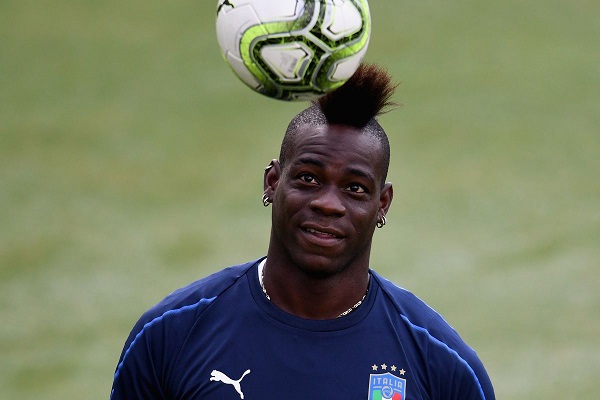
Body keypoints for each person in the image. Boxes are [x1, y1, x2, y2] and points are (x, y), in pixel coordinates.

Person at [110, 63, 495, 400]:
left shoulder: (441, 365)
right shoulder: (171, 334)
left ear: (382, 204)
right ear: (272, 182)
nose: (328, 203)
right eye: (309, 178)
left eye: (355, 188)